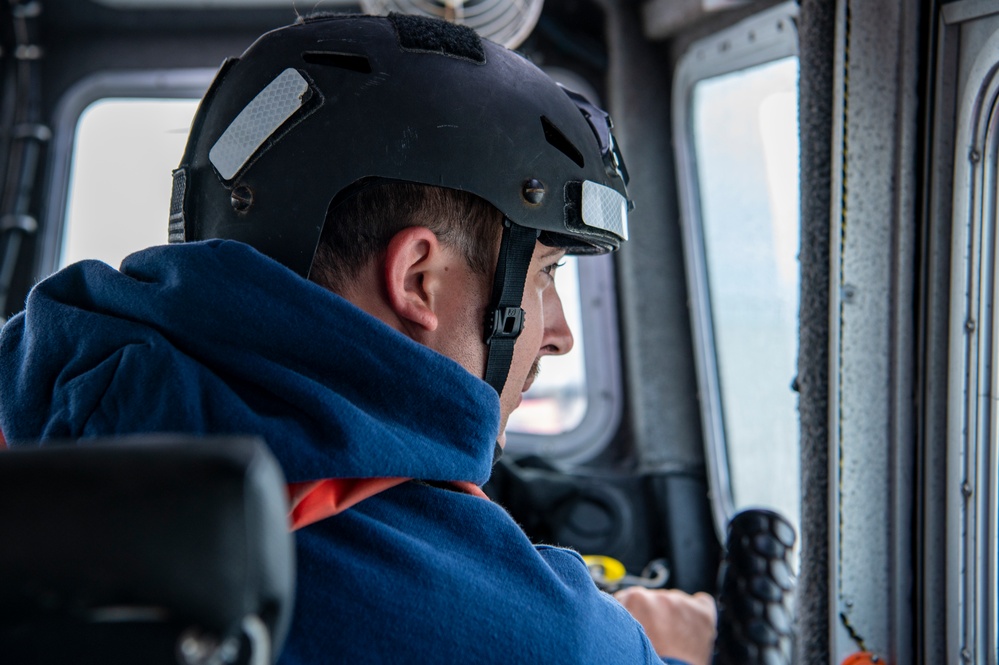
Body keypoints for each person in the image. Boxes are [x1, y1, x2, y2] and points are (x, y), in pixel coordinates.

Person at [0, 13, 716, 664]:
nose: (556, 333)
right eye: (543, 277)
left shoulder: (27, 386)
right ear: (418, 280)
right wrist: (667, 645)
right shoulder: (544, 635)